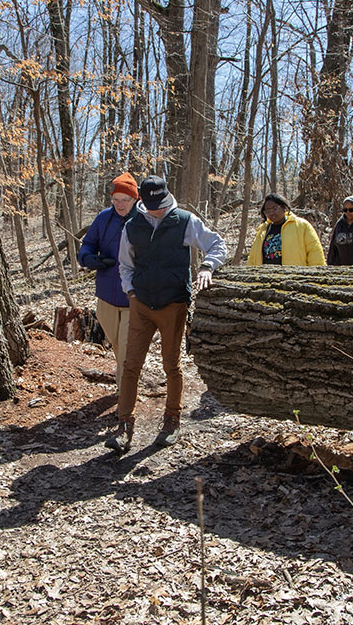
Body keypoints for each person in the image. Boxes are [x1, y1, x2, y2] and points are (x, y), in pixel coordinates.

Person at [105, 176, 227, 453]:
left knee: (171, 365)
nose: (156, 210)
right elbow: (125, 264)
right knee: (131, 364)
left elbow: (217, 244)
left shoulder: (184, 220)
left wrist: (207, 266)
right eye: (151, 206)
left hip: (173, 304)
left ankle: (172, 419)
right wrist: (131, 291)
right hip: (141, 303)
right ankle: (124, 425)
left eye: (159, 204)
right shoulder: (133, 225)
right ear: (141, 202)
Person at [78, 172, 138, 397]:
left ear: (135, 199)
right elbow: (88, 245)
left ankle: (125, 402)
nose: (120, 204)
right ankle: (128, 383)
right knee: (118, 347)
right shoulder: (104, 218)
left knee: (125, 350)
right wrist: (89, 259)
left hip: (133, 298)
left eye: (125, 199)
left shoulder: (144, 220)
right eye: (116, 199)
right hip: (105, 297)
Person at [246, 193, 325, 266]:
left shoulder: (301, 226)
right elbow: (253, 259)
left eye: (275, 208)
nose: (272, 213)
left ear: (283, 207)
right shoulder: (262, 231)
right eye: (268, 211)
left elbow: (315, 252)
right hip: (266, 277)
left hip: (294, 278)